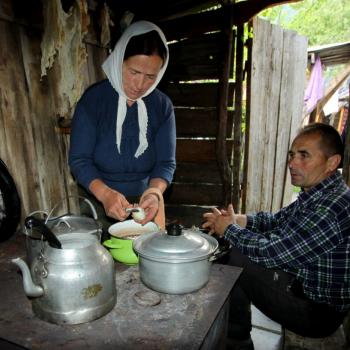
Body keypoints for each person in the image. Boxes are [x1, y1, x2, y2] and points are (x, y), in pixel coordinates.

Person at [202, 123, 350, 350]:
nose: (292, 163)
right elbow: (275, 220)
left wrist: (229, 230)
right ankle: (236, 337)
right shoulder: (318, 193)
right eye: (292, 155)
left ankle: (236, 343)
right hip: (301, 286)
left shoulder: (333, 206)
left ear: (332, 162)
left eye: (304, 156)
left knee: (235, 255)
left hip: (316, 313)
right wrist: (240, 220)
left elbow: (275, 252)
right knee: (238, 252)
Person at [69, 21, 176, 230]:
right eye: (134, 72)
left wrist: (154, 193)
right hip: (98, 201)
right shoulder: (94, 101)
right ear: (119, 61)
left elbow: (166, 163)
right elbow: (80, 160)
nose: (140, 85)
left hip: (146, 203)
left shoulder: (162, 106)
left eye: (150, 77)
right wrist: (105, 194)